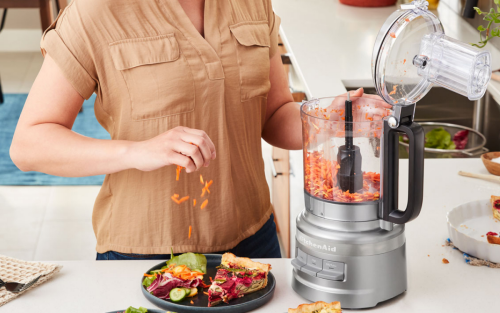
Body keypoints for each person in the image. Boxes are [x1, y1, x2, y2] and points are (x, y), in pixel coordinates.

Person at [9, 0, 385, 260]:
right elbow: (29, 143)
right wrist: (137, 151)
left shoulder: (252, 4)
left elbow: (274, 116)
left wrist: (329, 117)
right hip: (144, 252)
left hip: (254, 243)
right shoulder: (98, 11)